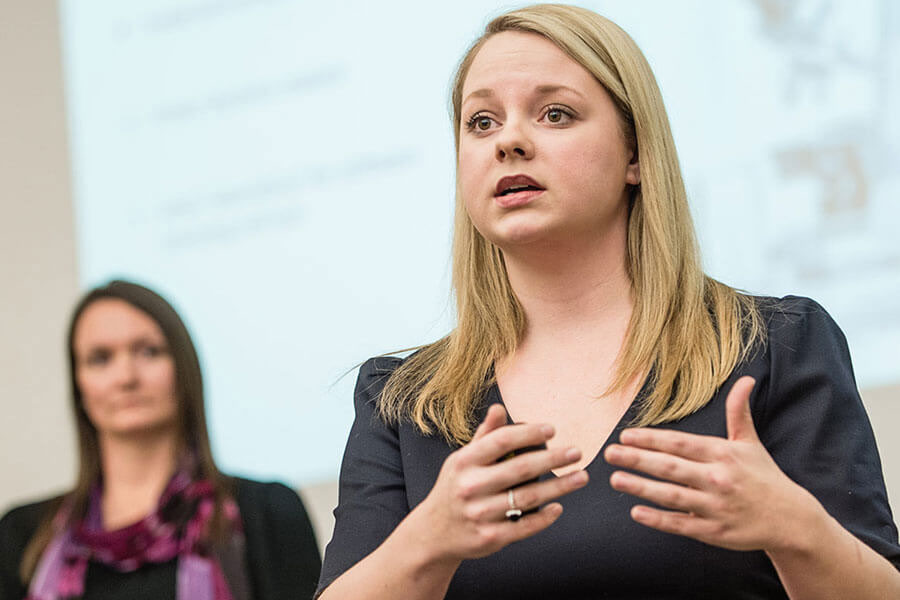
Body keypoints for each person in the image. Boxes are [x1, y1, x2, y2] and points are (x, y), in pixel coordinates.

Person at [315, 4, 900, 599]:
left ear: (635, 154)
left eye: (555, 114)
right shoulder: (404, 402)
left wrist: (796, 530)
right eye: (481, 122)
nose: (509, 140)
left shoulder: (775, 347)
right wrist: (426, 543)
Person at [0, 280, 321, 600]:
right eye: (100, 358)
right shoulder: (21, 534)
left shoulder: (266, 513)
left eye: (148, 352)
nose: (126, 377)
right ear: (79, 384)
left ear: (183, 369)